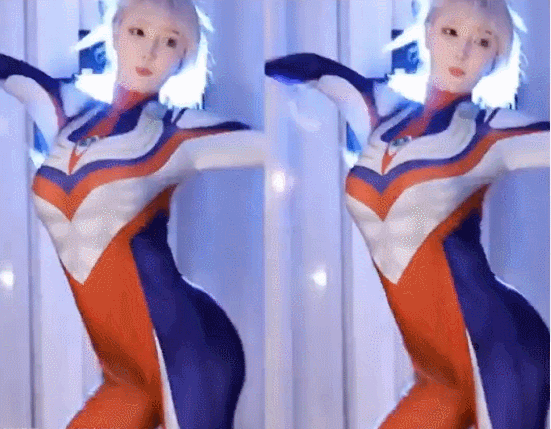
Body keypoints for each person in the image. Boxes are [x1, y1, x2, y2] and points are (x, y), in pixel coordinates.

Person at [266, 0, 549, 427]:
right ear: (428, 31)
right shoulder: (380, 110)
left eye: (483, 42)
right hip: (437, 375)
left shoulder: (490, 130)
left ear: (496, 59)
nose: (463, 51)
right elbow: (315, 71)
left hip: (500, 352)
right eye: (451, 32)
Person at [1, 0, 264, 427]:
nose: (149, 52)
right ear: (115, 31)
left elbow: (275, 149)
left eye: (170, 42)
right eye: (138, 32)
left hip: (187, 352)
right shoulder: (65, 110)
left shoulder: (177, 131)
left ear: (184, 58)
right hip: (125, 375)